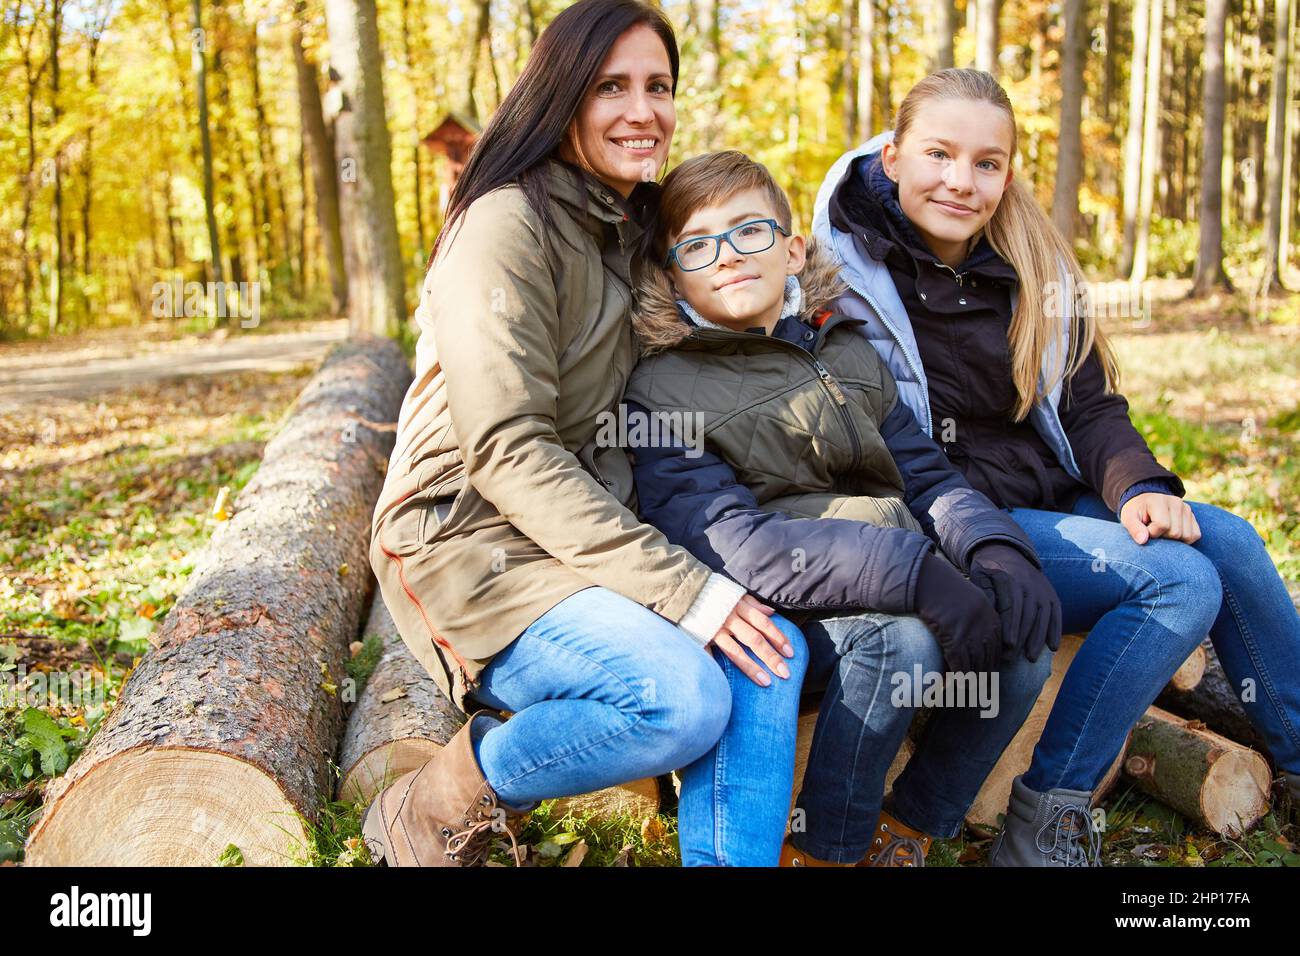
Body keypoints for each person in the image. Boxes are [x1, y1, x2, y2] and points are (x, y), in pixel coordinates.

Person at [813, 67, 1300, 866]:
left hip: (1051, 497)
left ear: (1009, 171)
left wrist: (1138, 486)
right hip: (951, 519)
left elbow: (1089, 405)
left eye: (987, 163)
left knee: (1234, 542)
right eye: (939, 154)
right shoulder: (839, 276)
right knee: (1180, 582)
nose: (961, 181)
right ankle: (1046, 814)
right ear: (893, 156)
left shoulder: (1026, 258)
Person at [364, 0, 803, 868]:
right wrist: (685, 591)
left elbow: (717, 317)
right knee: (677, 699)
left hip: (586, 529)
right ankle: (443, 795)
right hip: (467, 538)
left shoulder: (631, 225)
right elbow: (507, 450)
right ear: (563, 98)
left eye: (659, 87)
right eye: (613, 87)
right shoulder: (504, 226)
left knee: (766, 652)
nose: (643, 111)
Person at [624, 149, 1059, 866]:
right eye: (698, 245)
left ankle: (912, 825)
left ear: (793, 250)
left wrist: (992, 548)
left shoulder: (846, 348)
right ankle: (825, 850)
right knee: (900, 644)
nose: (728, 256)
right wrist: (917, 574)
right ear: (674, 276)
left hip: (888, 569)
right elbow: (738, 544)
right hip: (775, 614)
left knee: (1022, 642)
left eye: (750, 232)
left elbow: (926, 473)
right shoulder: (662, 389)